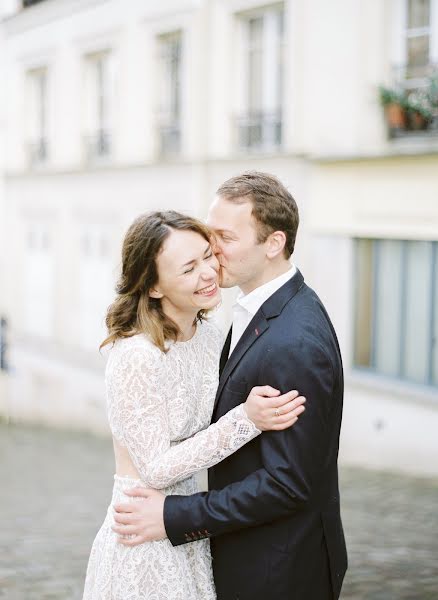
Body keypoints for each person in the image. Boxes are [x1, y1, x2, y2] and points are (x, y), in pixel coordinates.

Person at [113, 172, 348, 600]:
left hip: (277, 566)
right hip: (193, 543)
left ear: (273, 243)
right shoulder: (247, 315)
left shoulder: (293, 340)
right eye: (208, 237)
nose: (213, 255)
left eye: (223, 239)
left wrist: (176, 515)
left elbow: (288, 483)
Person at [82, 210, 306, 600]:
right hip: (143, 529)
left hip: (185, 525)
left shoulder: (210, 334)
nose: (208, 272)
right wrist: (246, 420)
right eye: (188, 268)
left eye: (207, 255)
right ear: (153, 287)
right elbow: (154, 468)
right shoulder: (137, 355)